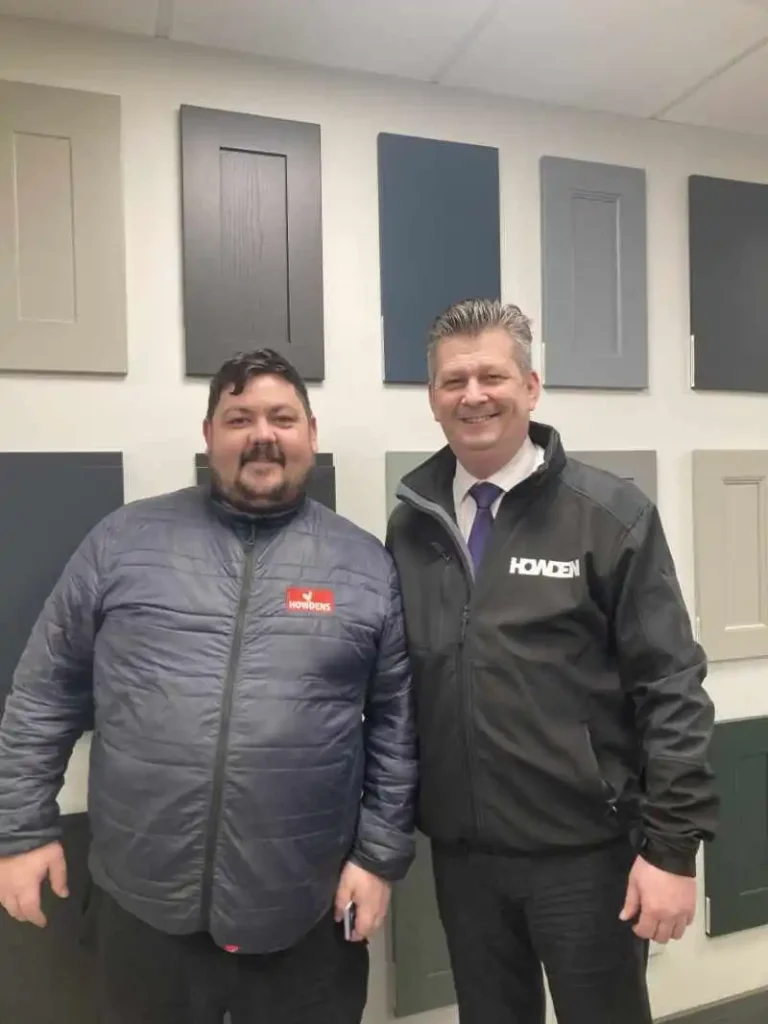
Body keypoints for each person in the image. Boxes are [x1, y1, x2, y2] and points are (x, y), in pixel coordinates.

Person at [0, 347, 417, 1024]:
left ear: (311, 434)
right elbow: (44, 694)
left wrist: (377, 860)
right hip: (140, 910)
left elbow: (397, 727)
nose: (262, 435)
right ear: (208, 435)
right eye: (239, 418)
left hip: (303, 914)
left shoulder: (365, 565)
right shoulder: (123, 541)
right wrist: (20, 832)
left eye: (282, 418)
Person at [385, 298, 718, 1024]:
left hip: (588, 858)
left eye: (492, 376)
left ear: (531, 388)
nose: (473, 395)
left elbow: (671, 685)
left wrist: (672, 850)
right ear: (433, 399)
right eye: (453, 381)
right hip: (466, 861)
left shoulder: (608, 514)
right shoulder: (412, 525)